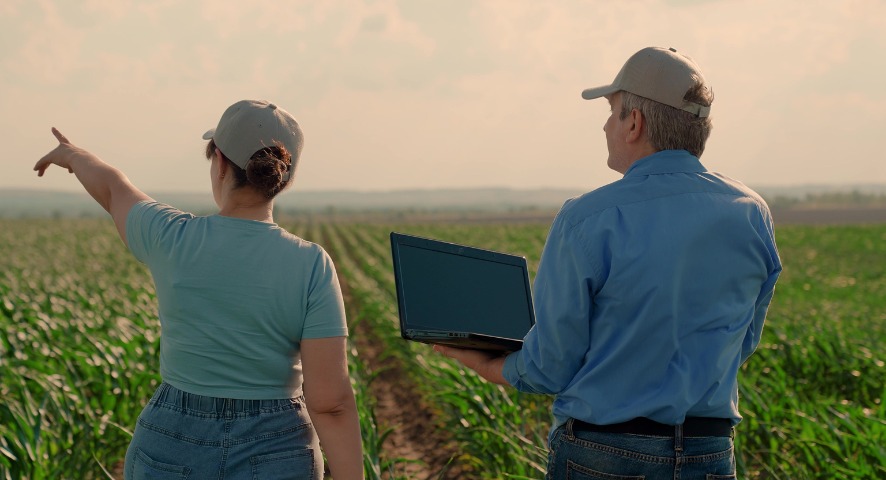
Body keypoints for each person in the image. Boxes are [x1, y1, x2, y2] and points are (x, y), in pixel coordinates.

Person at [435, 47, 782, 478]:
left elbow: (550, 365)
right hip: (710, 453)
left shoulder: (587, 218)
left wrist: (484, 363)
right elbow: (743, 341)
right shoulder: (751, 212)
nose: (604, 125)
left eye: (612, 110)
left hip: (604, 452)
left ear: (633, 123)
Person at [34, 100, 364, 479]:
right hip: (278, 449)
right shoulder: (311, 264)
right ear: (283, 180)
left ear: (219, 162)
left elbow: (112, 188)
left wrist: (72, 154)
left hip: (170, 441)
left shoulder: (170, 236)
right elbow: (331, 403)